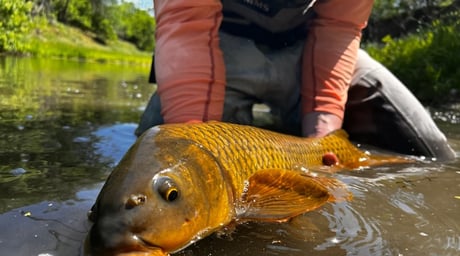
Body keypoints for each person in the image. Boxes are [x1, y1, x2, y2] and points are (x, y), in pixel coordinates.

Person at [136, 0, 455, 161]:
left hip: (313, 48)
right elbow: (187, 21)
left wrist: (321, 144)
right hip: (212, 46)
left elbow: (338, 27)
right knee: (162, 155)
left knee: (431, 155)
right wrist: (197, 154)